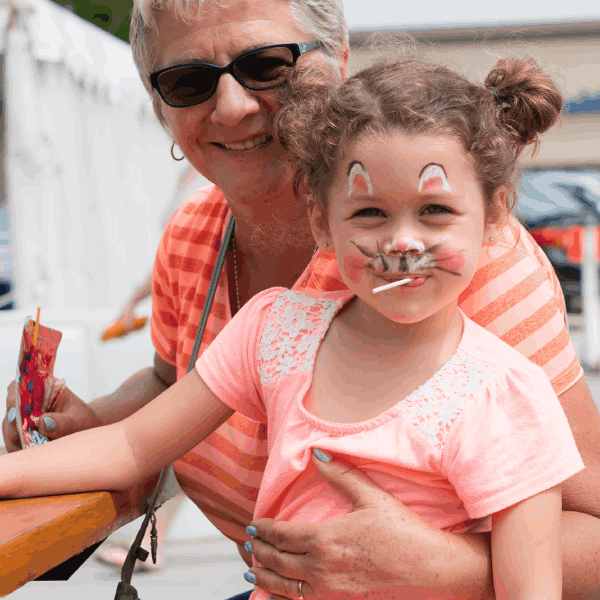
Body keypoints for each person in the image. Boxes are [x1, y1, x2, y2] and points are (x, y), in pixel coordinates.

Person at [3, 1, 600, 599]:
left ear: (338, 60)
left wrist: (446, 568)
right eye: (189, 81)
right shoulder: (228, 276)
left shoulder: (482, 284)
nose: (232, 105)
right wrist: (92, 423)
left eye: (267, 64)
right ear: (160, 107)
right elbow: (171, 386)